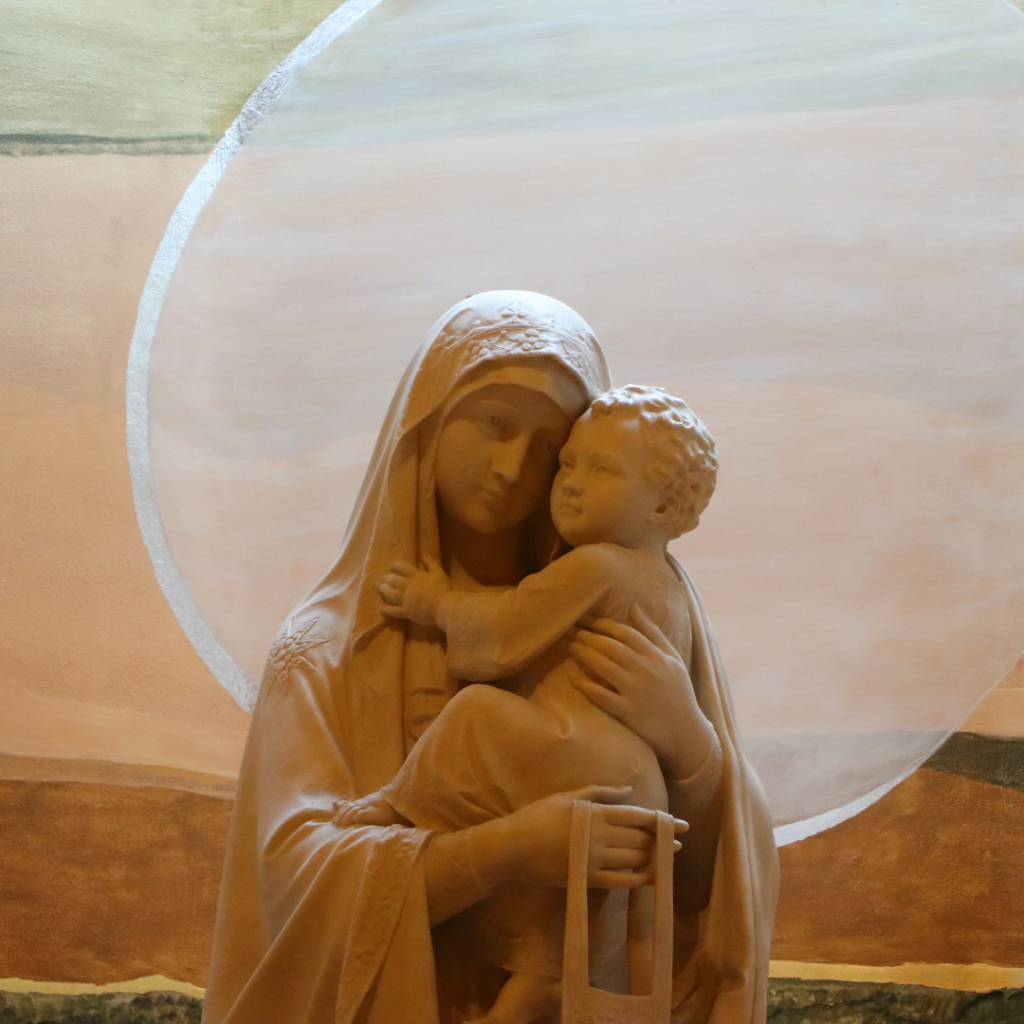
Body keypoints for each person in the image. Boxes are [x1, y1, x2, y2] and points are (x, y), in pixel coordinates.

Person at [201, 292, 778, 1024]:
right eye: (496, 424)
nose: (513, 467)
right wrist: (505, 851)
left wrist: (689, 743)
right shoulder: (324, 650)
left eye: (548, 447)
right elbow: (291, 883)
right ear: (429, 423)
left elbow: (710, 888)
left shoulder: (627, 603)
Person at [336, 385, 720, 1022]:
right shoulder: (672, 585)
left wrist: (433, 601)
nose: (570, 484)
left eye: (601, 470)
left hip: (585, 753)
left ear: (661, 504)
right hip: (636, 784)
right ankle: (539, 982)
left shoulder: (598, 566)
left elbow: (509, 629)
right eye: (567, 463)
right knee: (564, 885)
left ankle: (398, 805)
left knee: (474, 714)